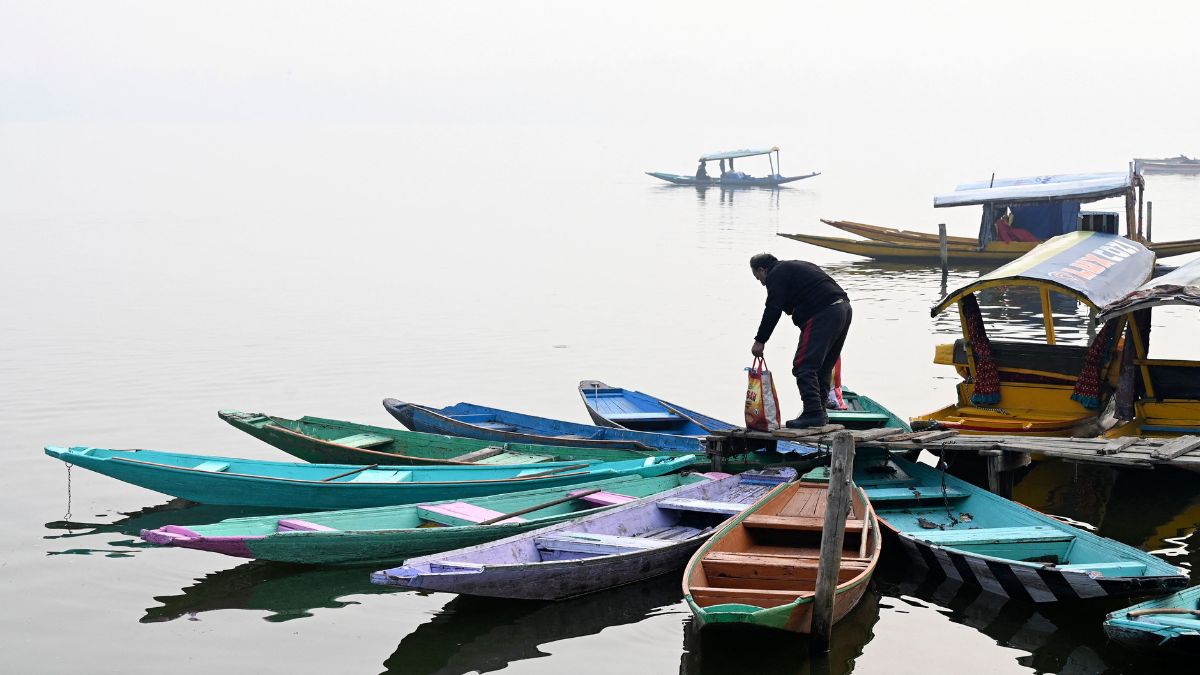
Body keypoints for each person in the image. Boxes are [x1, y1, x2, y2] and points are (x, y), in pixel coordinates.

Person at [749, 253, 852, 428]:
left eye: (758, 277)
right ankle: (819, 413)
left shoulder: (776, 274)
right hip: (843, 309)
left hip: (824, 312)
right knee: (823, 367)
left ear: (762, 269)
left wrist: (760, 340)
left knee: (803, 366)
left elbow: (773, 309)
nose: (761, 282)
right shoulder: (792, 268)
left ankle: (813, 412)